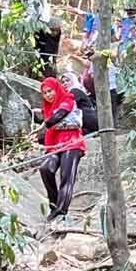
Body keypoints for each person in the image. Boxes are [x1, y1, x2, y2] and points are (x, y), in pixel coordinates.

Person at [38, 77, 86, 223]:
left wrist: (45, 124)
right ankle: (54, 206)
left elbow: (60, 114)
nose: (48, 95)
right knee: (45, 168)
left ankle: (61, 210)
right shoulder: (46, 107)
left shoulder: (68, 99)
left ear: (56, 89)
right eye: (45, 93)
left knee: (66, 176)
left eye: (50, 91)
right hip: (55, 145)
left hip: (72, 143)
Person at [60, 71, 98, 135]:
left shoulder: (75, 90)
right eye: (63, 82)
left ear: (73, 80)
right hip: (86, 124)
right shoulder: (70, 93)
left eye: (67, 80)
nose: (65, 83)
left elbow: (68, 107)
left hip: (89, 121)